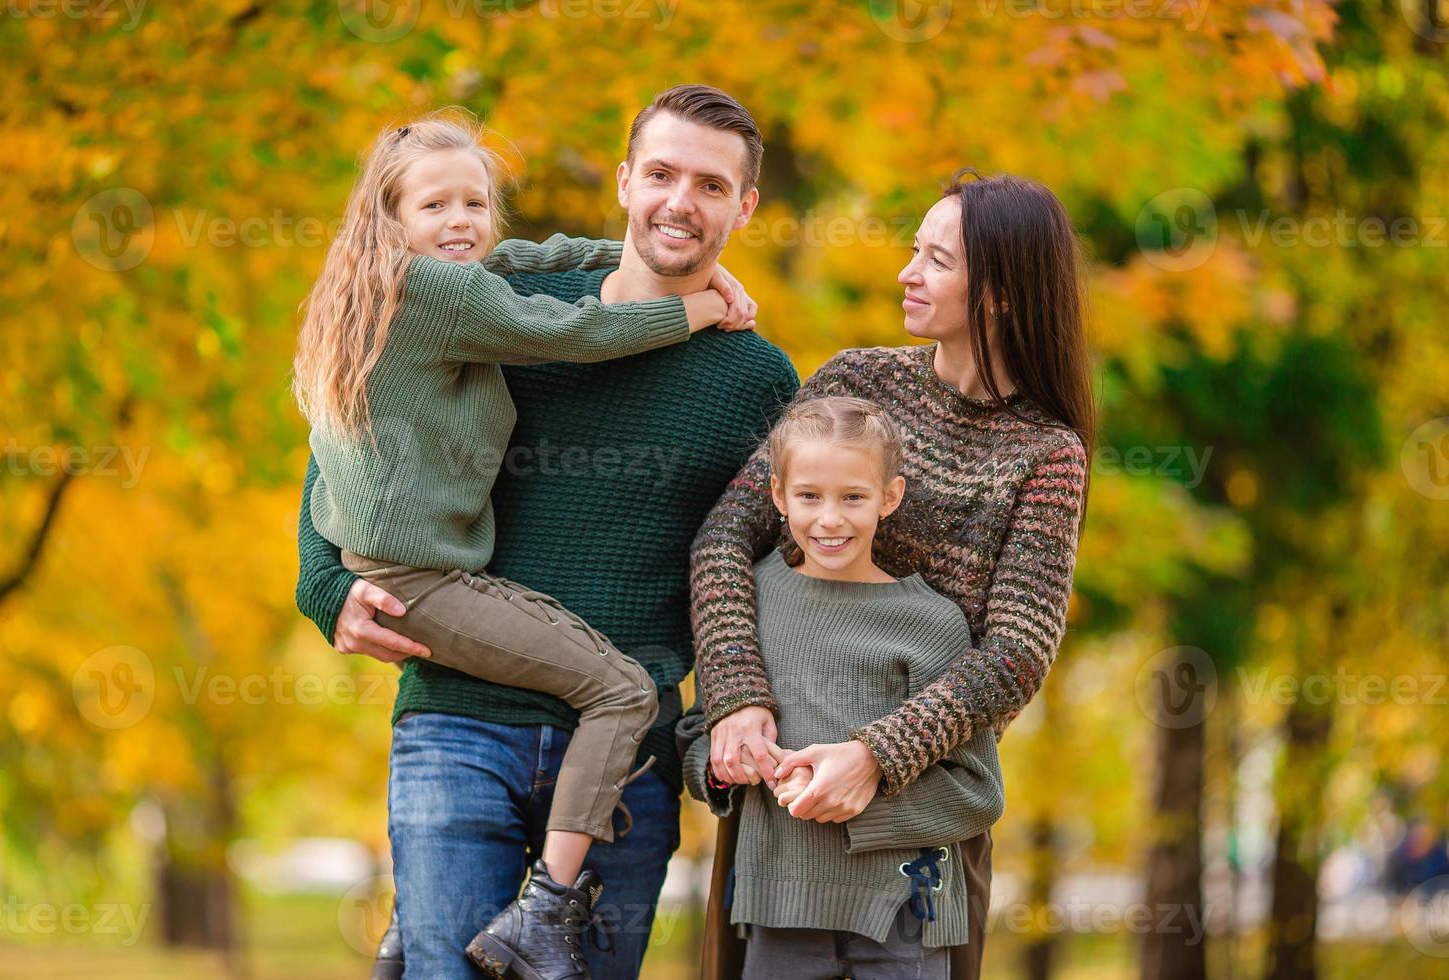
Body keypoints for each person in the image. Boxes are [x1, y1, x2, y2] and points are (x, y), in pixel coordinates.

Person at [295, 86, 799, 979]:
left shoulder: (757, 376)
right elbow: (358, 426)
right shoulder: (499, 293)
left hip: (627, 767)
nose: (680, 201)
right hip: (459, 722)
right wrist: (324, 584)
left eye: (711, 186)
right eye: (661, 174)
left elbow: (757, 574)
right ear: (624, 181)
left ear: (745, 206)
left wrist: (731, 721)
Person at [688, 170, 1095, 978]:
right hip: (788, 806)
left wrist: (878, 755)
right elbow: (724, 539)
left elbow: (1016, 651)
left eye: (936, 260)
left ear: (1003, 293)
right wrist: (737, 698)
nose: (907, 274)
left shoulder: (1047, 453)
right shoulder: (856, 383)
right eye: (916, 250)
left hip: (923, 821)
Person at [680, 396, 1005, 979]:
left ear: (890, 497)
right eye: (809, 496)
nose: (830, 519)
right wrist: (723, 765)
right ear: (778, 496)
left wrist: (860, 802)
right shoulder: (745, 602)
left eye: (853, 497)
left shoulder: (932, 622)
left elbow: (978, 792)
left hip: (907, 910)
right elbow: (700, 730)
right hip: (778, 906)